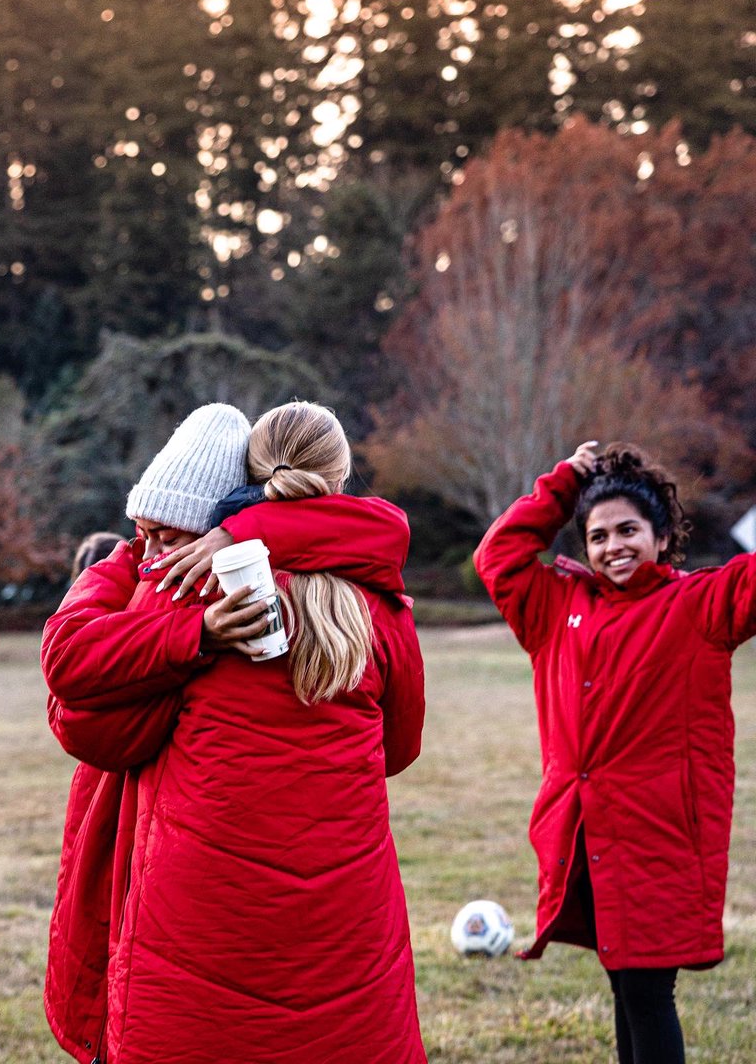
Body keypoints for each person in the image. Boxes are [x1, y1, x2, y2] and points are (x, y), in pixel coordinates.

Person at [42, 401, 426, 1064]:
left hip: (196, 918)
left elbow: (84, 713)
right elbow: (400, 748)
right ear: (337, 479)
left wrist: (135, 558)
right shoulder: (382, 609)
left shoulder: (189, 587)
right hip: (346, 916)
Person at [473, 439, 756, 1064]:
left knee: (648, 995)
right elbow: (498, 556)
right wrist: (565, 484)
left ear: (661, 538)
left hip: (661, 837)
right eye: (597, 537)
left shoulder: (698, 605)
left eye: (628, 530)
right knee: (625, 989)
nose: (612, 547)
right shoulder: (558, 606)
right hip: (586, 834)